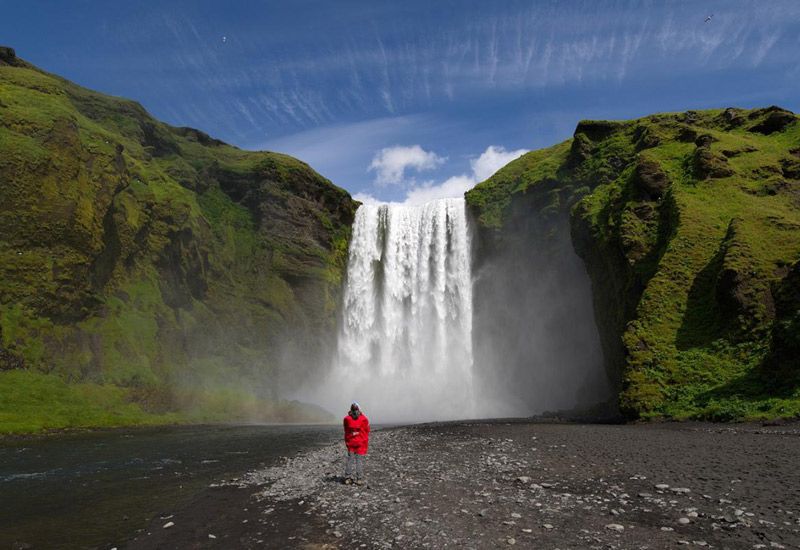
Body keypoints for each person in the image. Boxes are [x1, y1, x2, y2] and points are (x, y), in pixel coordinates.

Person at [343, 401, 370, 485]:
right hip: (360, 442)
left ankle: (347, 478)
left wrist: (348, 441)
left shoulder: (347, 419)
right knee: (359, 460)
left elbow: (346, 430)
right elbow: (367, 430)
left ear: (351, 409)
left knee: (350, 460)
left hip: (351, 442)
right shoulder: (363, 419)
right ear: (359, 409)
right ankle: (359, 479)